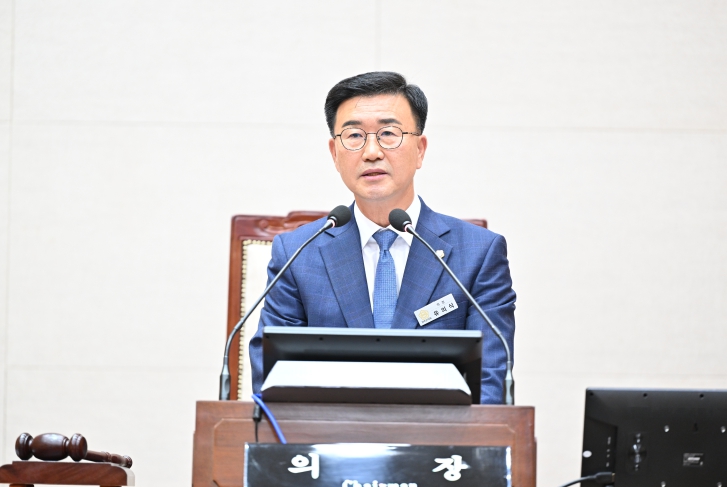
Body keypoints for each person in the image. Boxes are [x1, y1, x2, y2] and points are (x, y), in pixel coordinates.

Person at [249, 71, 516, 404]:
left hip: (440, 435)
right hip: (329, 433)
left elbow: (490, 384)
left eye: (389, 133)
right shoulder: (298, 253)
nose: (372, 152)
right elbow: (271, 379)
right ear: (334, 153)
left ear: (420, 150)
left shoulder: (478, 253)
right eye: (354, 136)